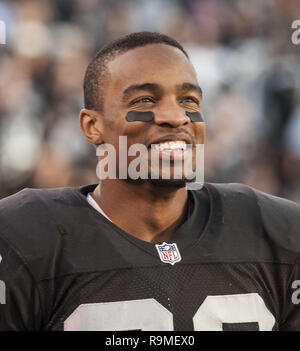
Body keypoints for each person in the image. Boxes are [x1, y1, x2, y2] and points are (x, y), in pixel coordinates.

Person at [0, 32, 299, 331]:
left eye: (189, 100)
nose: (176, 116)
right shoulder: (25, 239)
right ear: (93, 126)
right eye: (145, 99)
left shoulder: (273, 231)